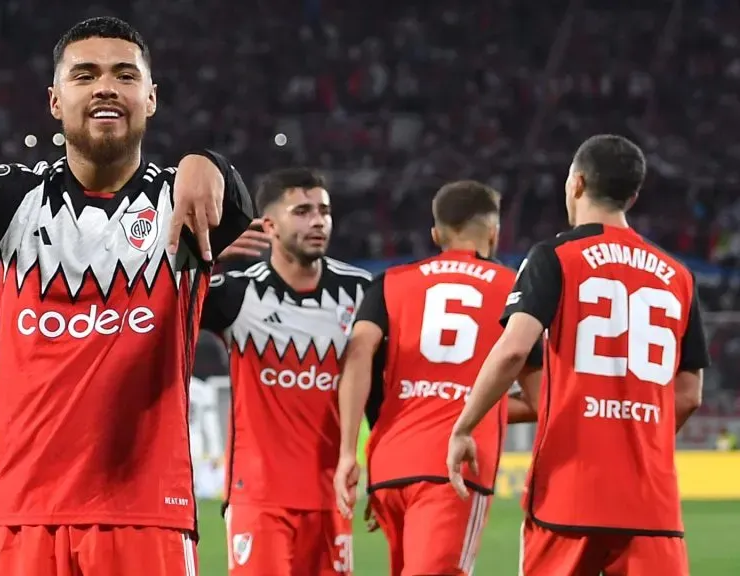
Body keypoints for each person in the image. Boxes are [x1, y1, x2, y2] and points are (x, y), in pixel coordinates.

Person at [0, 17, 253, 576]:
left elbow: (239, 209)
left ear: (150, 98)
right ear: (56, 101)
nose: (105, 85)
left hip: (146, 515)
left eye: (124, 74)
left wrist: (209, 164)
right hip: (21, 516)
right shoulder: (16, 199)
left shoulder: (182, 204)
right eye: (86, 74)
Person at [447, 135, 710, 576]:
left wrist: (464, 426)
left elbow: (514, 350)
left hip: (568, 495)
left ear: (577, 183)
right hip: (650, 502)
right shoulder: (679, 276)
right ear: (634, 195)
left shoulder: (555, 255)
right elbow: (689, 395)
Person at [334, 180, 541, 575]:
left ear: (435, 234)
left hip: (390, 467)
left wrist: (348, 453)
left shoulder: (390, 282)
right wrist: (478, 404)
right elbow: (538, 399)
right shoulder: (513, 288)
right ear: (494, 232)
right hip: (454, 468)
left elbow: (359, 352)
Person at [201, 168, 372, 575]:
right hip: (258, 498)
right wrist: (207, 255)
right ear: (270, 226)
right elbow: (160, 298)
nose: (318, 221)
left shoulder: (363, 293)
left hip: (333, 494)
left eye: (324, 211)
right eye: (302, 211)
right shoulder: (238, 294)